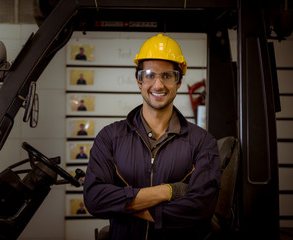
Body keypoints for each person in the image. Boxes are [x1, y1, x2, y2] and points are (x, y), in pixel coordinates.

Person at [83, 34, 221, 240]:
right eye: (149, 75)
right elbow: (95, 199)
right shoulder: (110, 137)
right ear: (139, 80)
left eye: (167, 76)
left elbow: (201, 209)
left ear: (179, 81)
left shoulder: (202, 142)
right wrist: (168, 191)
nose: (158, 85)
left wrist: (122, 205)